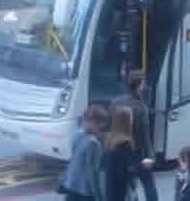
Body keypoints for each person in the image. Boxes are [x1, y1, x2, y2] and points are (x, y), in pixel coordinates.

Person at [112, 69, 158, 201]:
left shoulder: (116, 102)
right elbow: (145, 136)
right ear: (140, 85)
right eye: (144, 82)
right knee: (149, 186)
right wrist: (150, 156)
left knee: (127, 186)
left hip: (119, 152)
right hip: (137, 154)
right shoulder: (141, 108)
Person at [59, 105, 109, 201]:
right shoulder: (93, 143)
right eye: (102, 123)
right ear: (96, 122)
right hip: (85, 191)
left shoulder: (77, 134)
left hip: (71, 185)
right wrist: (99, 196)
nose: (103, 127)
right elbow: (92, 173)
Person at [105, 106, 140, 201]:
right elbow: (127, 170)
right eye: (131, 118)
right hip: (121, 189)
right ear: (126, 121)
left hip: (110, 186)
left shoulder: (110, 139)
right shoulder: (125, 143)